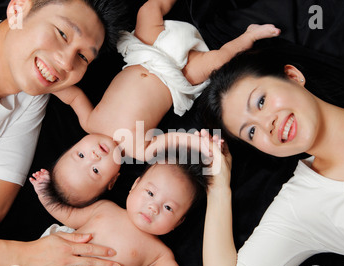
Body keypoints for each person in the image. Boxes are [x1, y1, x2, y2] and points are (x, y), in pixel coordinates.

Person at [0, 0, 128, 266]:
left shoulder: (30, 90)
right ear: (18, 9)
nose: (67, 63)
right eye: (62, 34)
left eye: (82, 56)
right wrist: (24, 257)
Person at [197, 45, 344, 266]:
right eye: (251, 132)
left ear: (292, 76)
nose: (267, 124)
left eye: (261, 101)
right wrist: (217, 186)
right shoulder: (301, 206)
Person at [51, 0, 281, 207]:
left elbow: (73, 97)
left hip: (144, 52)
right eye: (95, 170)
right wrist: (200, 144)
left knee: (148, 10)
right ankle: (248, 36)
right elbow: (173, 138)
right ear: (113, 180)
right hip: (177, 75)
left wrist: (50, 82)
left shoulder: (90, 122)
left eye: (80, 155)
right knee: (217, 62)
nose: (93, 156)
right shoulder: (138, 149)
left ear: (74, 145)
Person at [0, 149, 209, 266]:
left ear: (178, 223)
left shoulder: (158, 253)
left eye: (168, 208)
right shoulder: (104, 209)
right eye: (150, 193)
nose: (153, 207)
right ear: (134, 185)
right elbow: (67, 215)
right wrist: (44, 193)